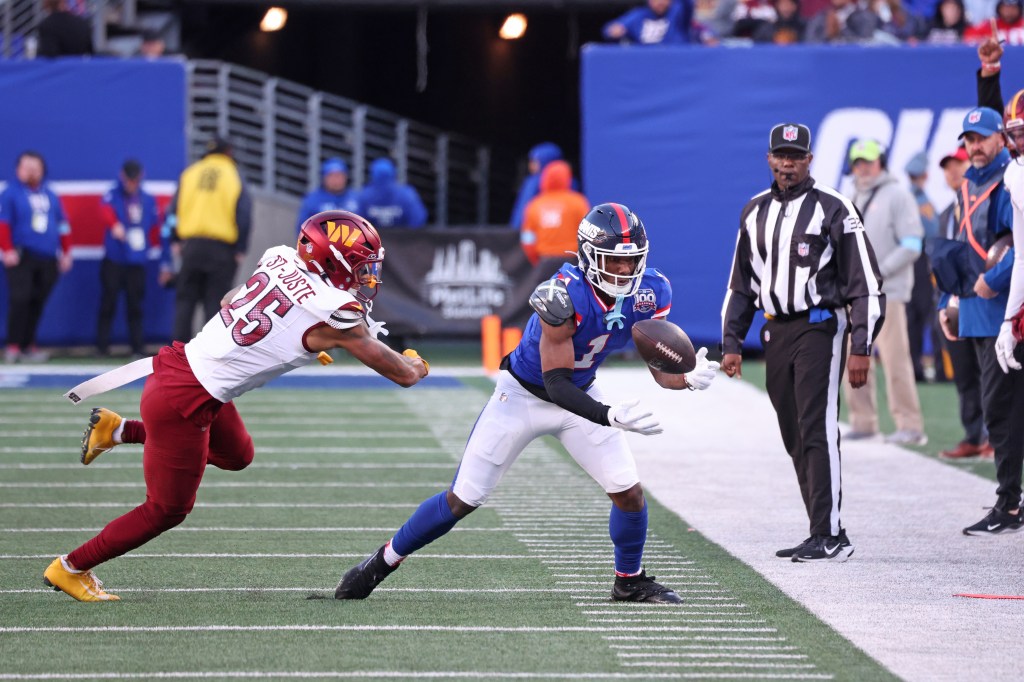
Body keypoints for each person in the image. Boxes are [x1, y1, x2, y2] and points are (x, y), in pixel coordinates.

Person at [333, 202, 720, 603]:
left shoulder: (653, 290)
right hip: (522, 395)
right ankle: (381, 562)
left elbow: (660, 368)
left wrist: (686, 378)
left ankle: (630, 580)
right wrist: (609, 416)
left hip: (582, 392)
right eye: (613, 261)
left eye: (631, 261)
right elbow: (555, 383)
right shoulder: (560, 294)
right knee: (462, 499)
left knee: (628, 491)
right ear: (589, 256)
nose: (623, 272)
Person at [42, 210, 429, 602]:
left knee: (237, 454)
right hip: (183, 400)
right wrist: (417, 363)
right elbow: (403, 374)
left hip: (186, 375)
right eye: (361, 267)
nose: (368, 277)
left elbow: (232, 299)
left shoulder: (281, 258)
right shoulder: (335, 312)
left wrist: (297, 332)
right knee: (166, 510)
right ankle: (70, 567)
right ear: (333, 262)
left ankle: (118, 430)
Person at [721, 123, 885, 562]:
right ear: (769, 159)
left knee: (816, 427)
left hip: (819, 327)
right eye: (781, 155)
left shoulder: (834, 207)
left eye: (796, 155)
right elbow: (742, 283)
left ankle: (829, 534)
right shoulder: (754, 211)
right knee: (793, 431)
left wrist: (861, 344)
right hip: (775, 328)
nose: (788, 162)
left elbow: (864, 282)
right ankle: (820, 528)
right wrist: (732, 340)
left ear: (810, 159)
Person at [930, 107, 1024, 534]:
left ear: (1001, 138)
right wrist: (950, 300)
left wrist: (994, 278)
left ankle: (1008, 506)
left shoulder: (1011, 180)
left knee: (1002, 411)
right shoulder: (969, 182)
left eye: (982, 138)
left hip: (1006, 312)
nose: (974, 147)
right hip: (975, 311)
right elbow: (963, 249)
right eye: (968, 140)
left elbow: (1019, 246)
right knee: (997, 409)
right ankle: (1009, 502)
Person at [842, 139, 926, 446]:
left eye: (869, 160)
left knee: (895, 360)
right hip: (854, 294)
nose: (863, 167)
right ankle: (863, 422)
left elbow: (913, 243)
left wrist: (878, 273)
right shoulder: (849, 194)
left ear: (882, 161)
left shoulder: (898, 194)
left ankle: (910, 424)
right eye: (858, 161)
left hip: (887, 292)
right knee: (854, 358)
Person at [166, 136, 252, 342]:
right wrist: (241, 247)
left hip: (192, 246)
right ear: (228, 152)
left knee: (185, 300)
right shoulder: (233, 174)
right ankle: (212, 352)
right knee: (216, 302)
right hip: (221, 248)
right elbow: (244, 213)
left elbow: (172, 211)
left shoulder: (190, 173)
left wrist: (174, 239)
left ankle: (178, 351)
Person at [0, 151, 73, 364]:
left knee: (38, 301)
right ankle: (13, 345)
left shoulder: (50, 195)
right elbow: (3, 223)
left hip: (48, 257)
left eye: (36, 168)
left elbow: (63, 224)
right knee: (20, 299)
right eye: (27, 167)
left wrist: (66, 252)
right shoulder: (11, 193)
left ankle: (28, 344)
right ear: (18, 170)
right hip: (22, 255)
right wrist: (7, 249)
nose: (32, 172)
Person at [96, 159, 161, 358]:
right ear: (123, 176)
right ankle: (102, 346)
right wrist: (115, 224)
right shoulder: (113, 194)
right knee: (109, 302)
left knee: (136, 305)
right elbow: (104, 210)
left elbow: (155, 223)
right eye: (129, 179)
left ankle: (137, 347)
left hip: (137, 260)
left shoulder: (147, 198)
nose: (132, 184)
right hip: (115, 258)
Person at [905, 152, 942, 384]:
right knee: (925, 316)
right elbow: (931, 231)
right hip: (920, 261)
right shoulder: (918, 200)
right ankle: (929, 367)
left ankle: (915, 368)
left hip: (914, 261)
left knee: (915, 318)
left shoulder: (911, 197)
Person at [520, 160, 589, 274]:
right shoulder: (578, 202)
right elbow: (587, 234)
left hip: (545, 262)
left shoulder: (534, 205)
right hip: (572, 261)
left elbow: (527, 238)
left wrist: (537, 261)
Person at [354, 158, 427, 228]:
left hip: (375, 239)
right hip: (402, 239)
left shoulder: (364, 195)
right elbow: (418, 220)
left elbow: (356, 223)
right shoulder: (406, 194)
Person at [510, 142, 566, 229]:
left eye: (535, 162)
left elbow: (522, 213)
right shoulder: (571, 184)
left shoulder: (533, 182)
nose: (531, 166)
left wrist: (515, 231)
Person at [295, 158, 359, 234]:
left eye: (339, 175)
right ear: (324, 178)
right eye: (331, 176)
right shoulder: (313, 200)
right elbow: (302, 229)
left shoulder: (356, 198)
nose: (336, 180)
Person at [602, 0, 696, 44]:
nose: (660, 2)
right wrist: (612, 31)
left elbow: (688, 3)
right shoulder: (638, 15)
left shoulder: (678, 12)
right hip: (646, 64)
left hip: (675, 61)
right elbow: (611, 29)